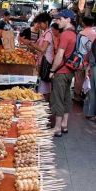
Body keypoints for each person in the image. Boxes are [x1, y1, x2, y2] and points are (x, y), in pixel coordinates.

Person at [49, 9, 77, 137]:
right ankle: (64, 124)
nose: (57, 21)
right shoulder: (74, 33)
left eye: (60, 19)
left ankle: (57, 128)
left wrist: (52, 70)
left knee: (58, 98)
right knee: (66, 97)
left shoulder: (65, 34)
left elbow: (60, 54)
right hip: (70, 71)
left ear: (68, 20)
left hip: (61, 71)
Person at [21, 12, 53, 100]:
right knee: (42, 85)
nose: (39, 25)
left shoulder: (49, 34)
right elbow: (36, 47)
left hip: (46, 62)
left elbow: (42, 49)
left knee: (44, 85)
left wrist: (30, 42)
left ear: (46, 22)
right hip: (41, 61)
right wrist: (27, 43)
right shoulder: (44, 33)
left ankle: (45, 103)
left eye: (40, 23)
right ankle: (44, 102)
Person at [74, 16, 96, 102]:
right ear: (93, 23)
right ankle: (87, 95)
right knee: (89, 78)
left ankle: (77, 95)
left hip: (80, 59)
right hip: (91, 60)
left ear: (83, 23)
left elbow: (77, 48)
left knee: (79, 78)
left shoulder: (80, 33)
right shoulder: (95, 33)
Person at [83, 39, 96, 120]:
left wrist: (88, 67)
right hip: (93, 67)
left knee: (92, 92)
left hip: (94, 67)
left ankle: (90, 113)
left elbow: (92, 56)